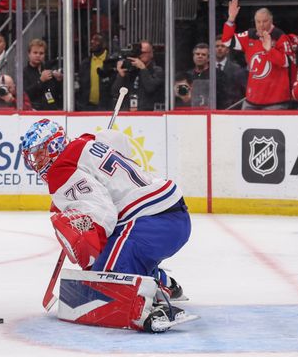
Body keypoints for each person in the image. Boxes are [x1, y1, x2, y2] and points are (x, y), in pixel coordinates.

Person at [20, 118, 193, 332]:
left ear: (54, 145)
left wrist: (88, 252)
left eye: (39, 154)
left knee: (104, 283)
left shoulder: (60, 170)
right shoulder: (86, 141)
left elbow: (103, 213)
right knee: (109, 264)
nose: (36, 163)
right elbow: (118, 143)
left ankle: (154, 299)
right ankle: (161, 280)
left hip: (150, 220)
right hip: (169, 216)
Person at [222, 0, 294, 110]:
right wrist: (231, 19)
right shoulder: (250, 35)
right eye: (258, 22)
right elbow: (227, 41)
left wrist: (270, 50)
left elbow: (286, 63)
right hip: (252, 100)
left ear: (271, 21)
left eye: (265, 21)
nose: (261, 25)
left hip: (276, 101)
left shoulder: (280, 36)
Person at [111, 39, 164, 111]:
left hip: (148, 112)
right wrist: (121, 75)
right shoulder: (131, 70)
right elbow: (115, 91)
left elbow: (150, 88)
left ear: (151, 54)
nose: (140, 55)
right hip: (128, 111)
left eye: (143, 52)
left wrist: (143, 69)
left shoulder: (157, 71)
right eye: (139, 52)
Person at [23, 39, 63, 110]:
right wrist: (40, 81)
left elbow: (58, 93)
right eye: (35, 53)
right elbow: (25, 94)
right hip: (33, 111)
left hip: (52, 110)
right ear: (29, 54)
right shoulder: (24, 72)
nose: (38, 55)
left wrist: (59, 80)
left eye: (41, 53)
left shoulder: (49, 70)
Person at [77, 33, 113, 111]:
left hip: (106, 107)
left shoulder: (111, 61)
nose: (92, 42)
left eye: (96, 40)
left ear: (104, 44)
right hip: (86, 107)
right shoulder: (85, 63)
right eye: (92, 39)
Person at [213, 34, 247, 109]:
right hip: (213, 107)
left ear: (227, 50)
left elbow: (242, 92)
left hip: (231, 109)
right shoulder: (209, 68)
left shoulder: (236, 69)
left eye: (222, 46)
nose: (219, 48)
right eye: (217, 46)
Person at [184, 43, 210, 107]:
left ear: (208, 58)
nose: (200, 56)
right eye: (197, 54)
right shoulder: (187, 75)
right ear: (193, 56)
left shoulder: (217, 74)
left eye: (203, 55)